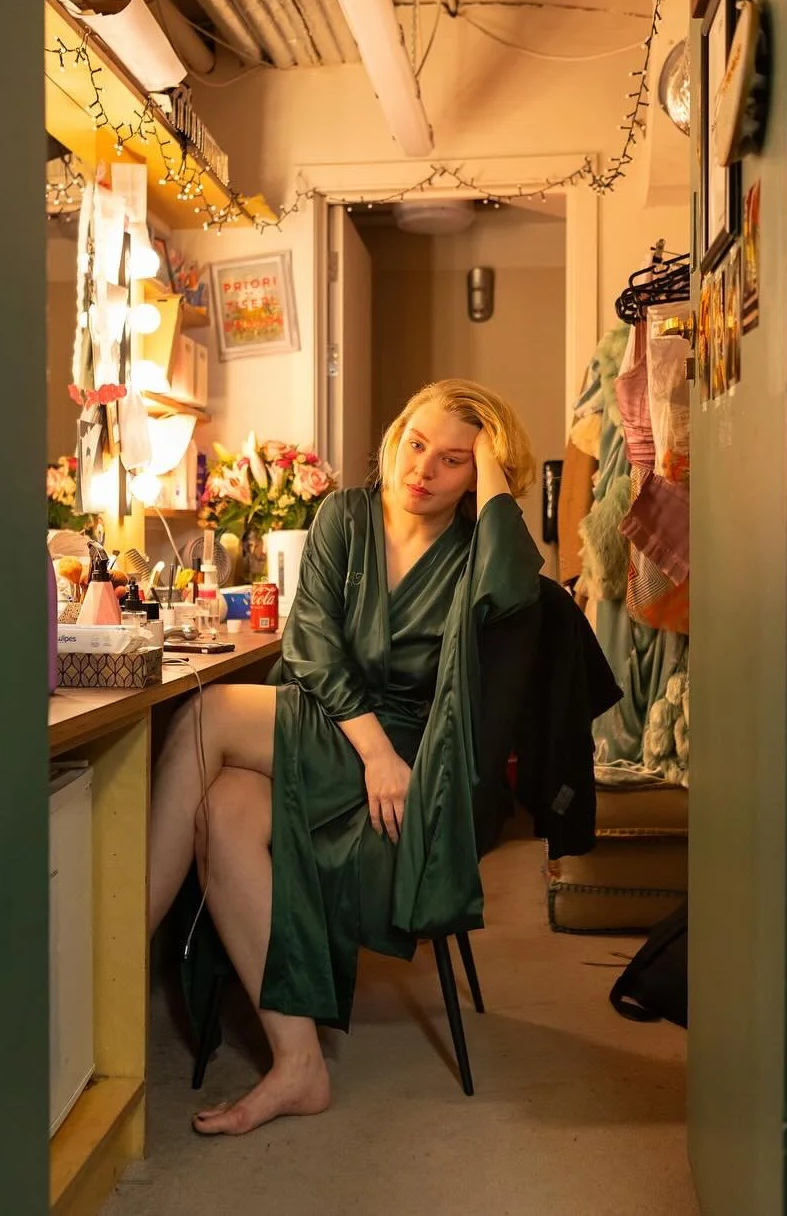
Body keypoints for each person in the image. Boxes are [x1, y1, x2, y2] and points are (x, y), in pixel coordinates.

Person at [147, 379, 544, 1136]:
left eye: (454, 459)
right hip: (341, 729)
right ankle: (299, 1065)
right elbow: (310, 647)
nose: (422, 467)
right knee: (224, 811)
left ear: (479, 475)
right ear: (395, 435)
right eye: (416, 441)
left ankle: (113, 952)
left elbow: (516, 586)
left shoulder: (473, 553)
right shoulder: (344, 516)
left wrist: (492, 452)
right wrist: (370, 752)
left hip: (409, 769)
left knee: (207, 711)